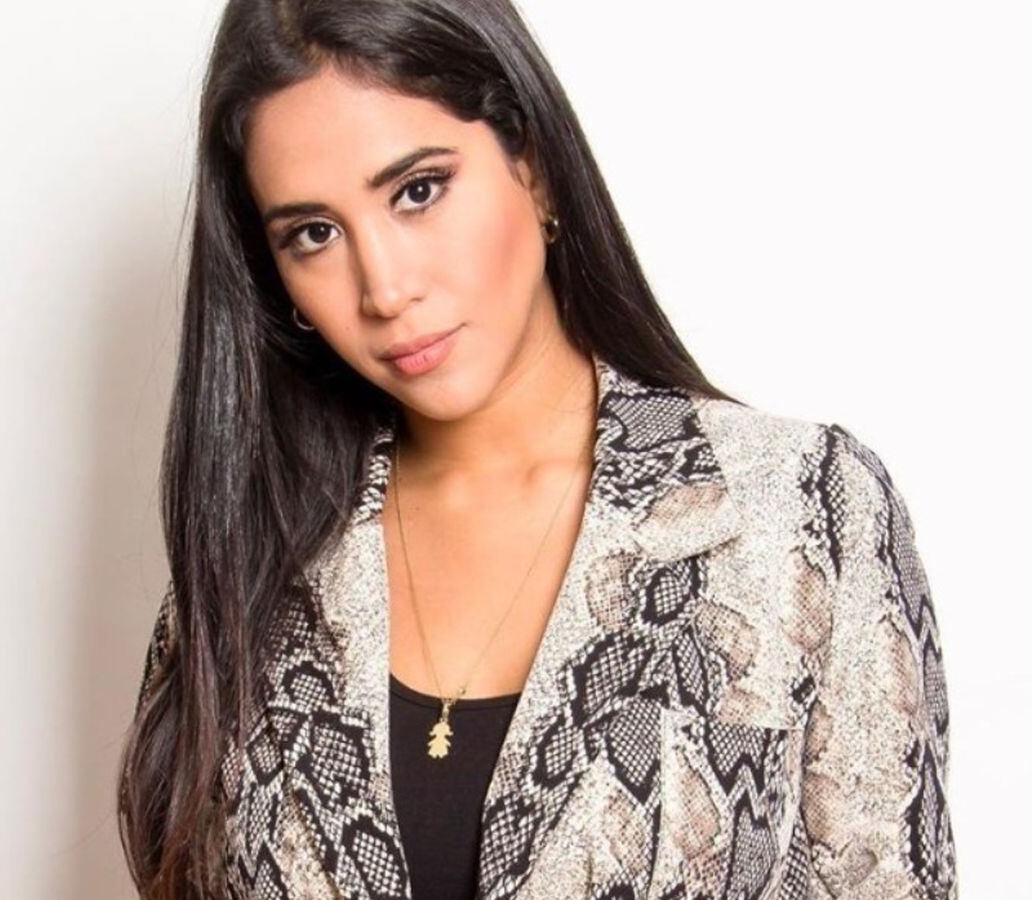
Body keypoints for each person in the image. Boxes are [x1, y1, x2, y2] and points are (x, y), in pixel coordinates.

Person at [117, 2, 957, 898]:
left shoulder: (797, 512)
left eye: (418, 191)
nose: (385, 289)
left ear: (536, 168)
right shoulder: (253, 569)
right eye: (314, 234)